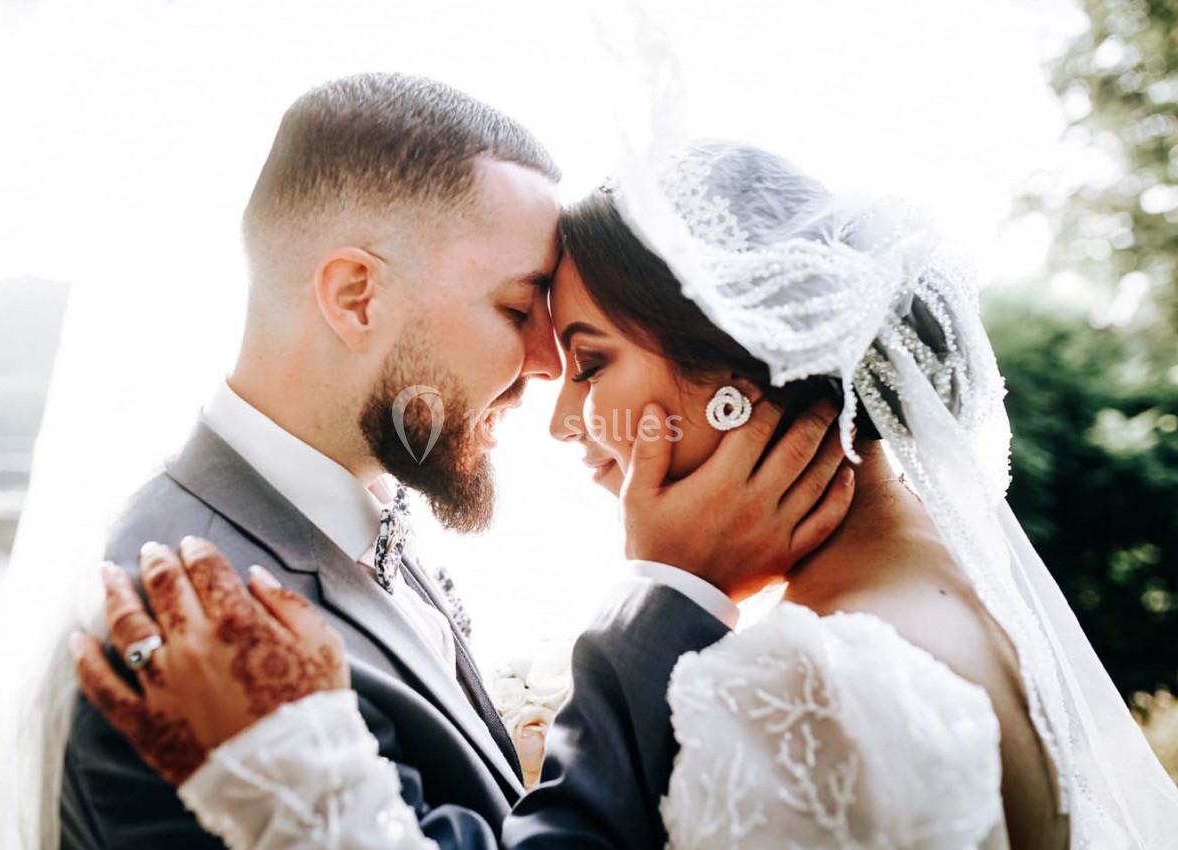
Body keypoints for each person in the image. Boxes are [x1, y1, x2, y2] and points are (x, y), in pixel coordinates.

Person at [74, 141, 1178, 849]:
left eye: (590, 358)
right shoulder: (966, 598)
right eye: (526, 320)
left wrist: (295, 794)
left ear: (742, 379)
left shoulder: (807, 674)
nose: (557, 406)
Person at [58, 77, 854, 850]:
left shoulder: (346, 511)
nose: (548, 364)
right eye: (516, 309)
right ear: (357, 297)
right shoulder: (191, 625)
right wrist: (672, 591)